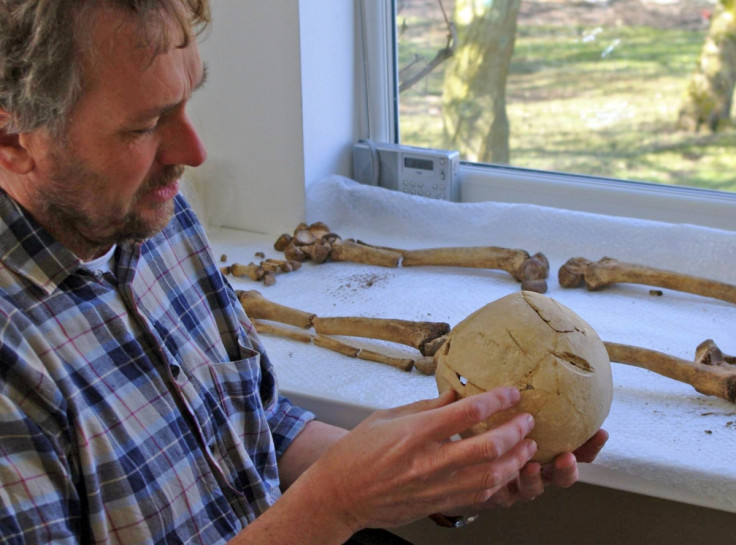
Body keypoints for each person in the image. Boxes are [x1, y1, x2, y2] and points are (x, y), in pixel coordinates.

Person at [0, 1, 608, 543]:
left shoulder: (145, 214)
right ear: (13, 136)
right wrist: (333, 507)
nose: (193, 152)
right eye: (142, 126)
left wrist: (430, 476)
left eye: (186, 101)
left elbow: (255, 427)